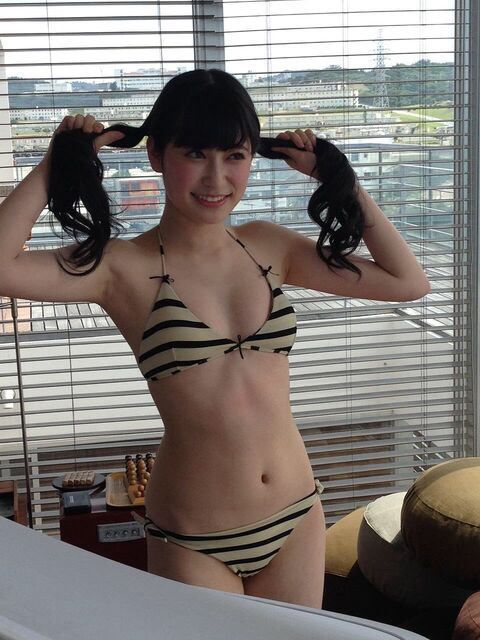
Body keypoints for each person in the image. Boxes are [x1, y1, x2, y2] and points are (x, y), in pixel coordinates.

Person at [0, 69, 430, 609]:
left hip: (296, 514)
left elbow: (407, 282)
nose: (216, 178)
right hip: (195, 535)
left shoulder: (268, 246)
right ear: (155, 154)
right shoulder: (119, 267)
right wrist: (57, 160)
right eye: (195, 153)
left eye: (235, 155)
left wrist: (335, 175)